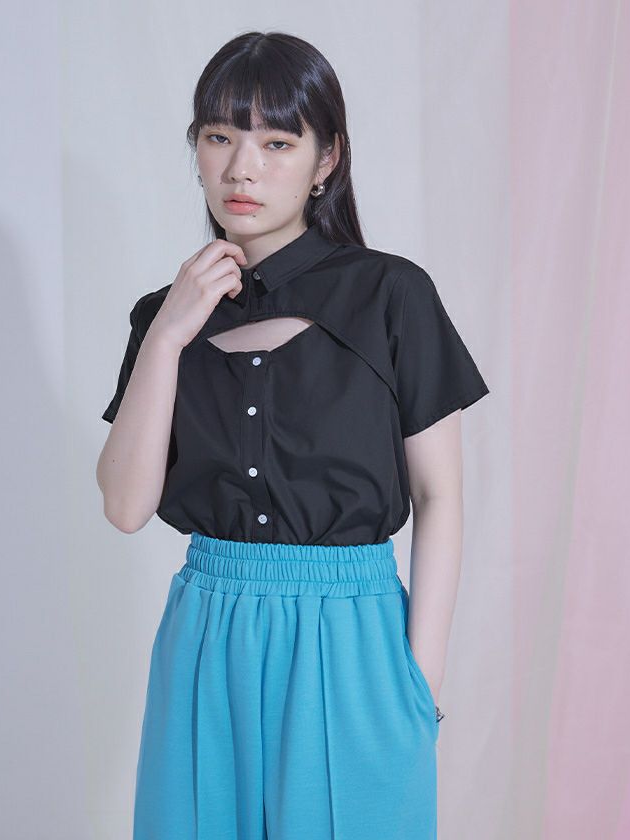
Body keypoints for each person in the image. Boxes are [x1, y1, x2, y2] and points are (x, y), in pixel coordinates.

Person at [97, 30, 489, 840]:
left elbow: (439, 496)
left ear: (325, 159)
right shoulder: (163, 317)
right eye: (220, 137)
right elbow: (126, 507)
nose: (242, 169)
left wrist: (419, 682)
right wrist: (168, 335)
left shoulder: (391, 295)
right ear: (197, 150)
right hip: (205, 633)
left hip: (352, 637)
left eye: (277, 143)